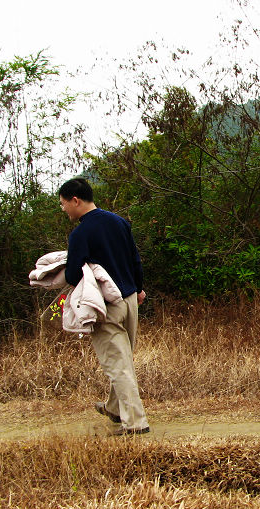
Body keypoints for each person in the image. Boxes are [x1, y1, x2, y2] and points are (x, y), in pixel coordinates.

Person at [59, 177, 150, 435]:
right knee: (122, 359)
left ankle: (135, 424)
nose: (64, 209)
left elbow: (72, 275)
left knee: (117, 364)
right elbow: (135, 259)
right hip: (130, 299)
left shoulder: (80, 233)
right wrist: (139, 288)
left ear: (75, 200)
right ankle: (114, 408)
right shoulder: (118, 222)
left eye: (64, 203)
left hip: (106, 306)